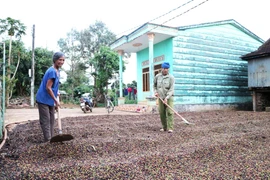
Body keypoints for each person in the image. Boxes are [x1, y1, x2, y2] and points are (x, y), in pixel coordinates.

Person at [36, 52, 65, 142]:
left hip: (50, 99)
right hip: (43, 98)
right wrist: (56, 100)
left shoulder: (58, 71)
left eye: (63, 60)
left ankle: (51, 139)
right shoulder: (52, 71)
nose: (62, 62)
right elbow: (48, 88)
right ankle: (48, 141)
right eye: (60, 60)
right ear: (55, 60)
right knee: (46, 120)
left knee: (52, 119)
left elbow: (54, 86)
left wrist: (57, 93)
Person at [154, 62, 175, 133]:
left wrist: (167, 98)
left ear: (168, 69)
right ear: (161, 68)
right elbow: (154, 85)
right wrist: (155, 92)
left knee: (169, 112)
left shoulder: (171, 78)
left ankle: (170, 128)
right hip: (160, 97)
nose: (165, 70)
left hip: (169, 97)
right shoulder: (157, 76)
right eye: (164, 68)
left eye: (167, 69)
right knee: (161, 112)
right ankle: (164, 127)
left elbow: (171, 89)